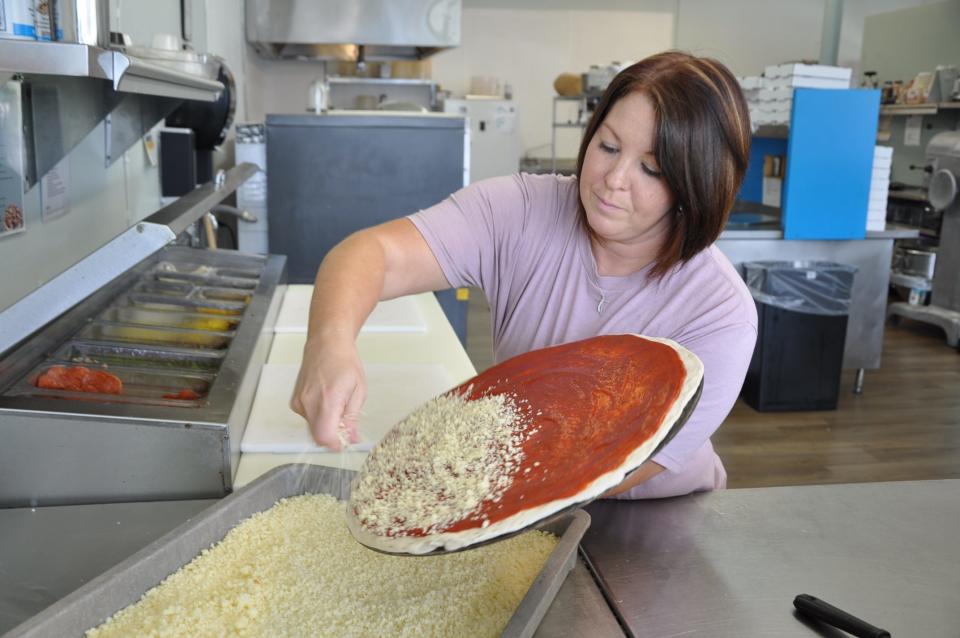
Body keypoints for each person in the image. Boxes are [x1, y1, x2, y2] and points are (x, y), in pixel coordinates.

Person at [291, 50, 757, 499]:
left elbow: (614, 473)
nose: (614, 178)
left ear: (694, 187)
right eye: (608, 146)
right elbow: (372, 253)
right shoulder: (520, 211)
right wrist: (329, 342)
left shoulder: (719, 313)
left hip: (655, 522)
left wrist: (452, 470)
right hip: (512, 486)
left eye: (650, 169)